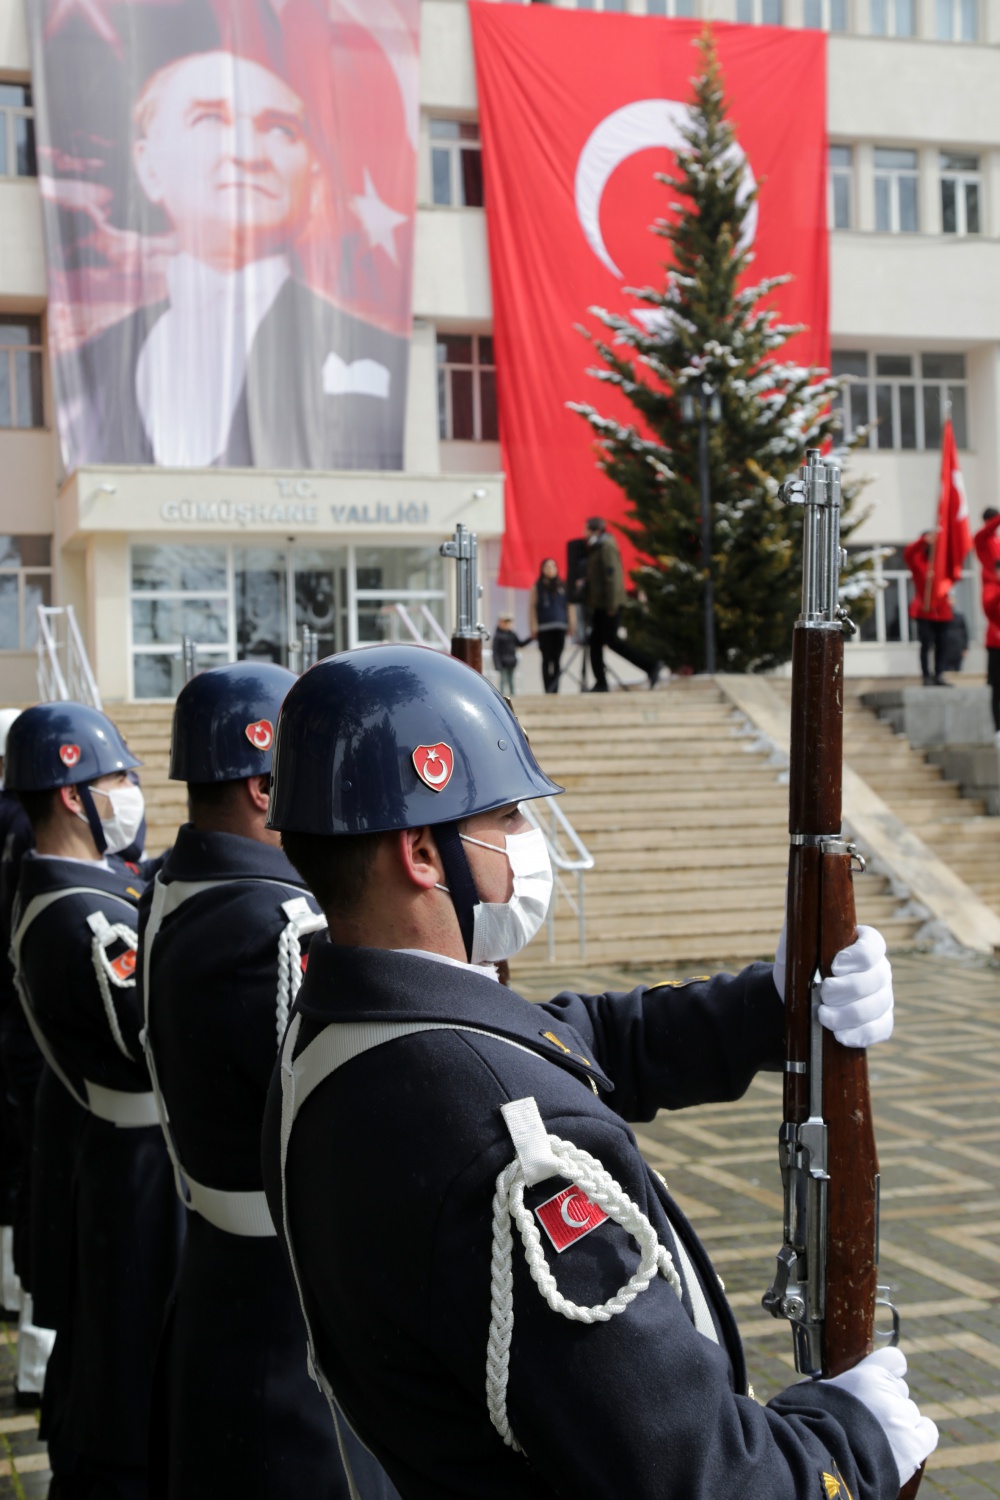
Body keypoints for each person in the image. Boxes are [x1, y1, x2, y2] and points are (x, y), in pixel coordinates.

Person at [259, 643, 936, 1500]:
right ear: (423, 856)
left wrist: (772, 1006)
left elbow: (567, 1038)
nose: (528, 839)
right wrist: (850, 1442)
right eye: (505, 816)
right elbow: (692, 1472)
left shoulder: (335, 1024)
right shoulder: (510, 1153)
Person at [137, 662, 398, 1500]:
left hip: (219, 1275)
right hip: (287, 1315)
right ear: (263, 785)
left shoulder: (173, 889)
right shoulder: (280, 925)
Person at [58, 49, 408, 471]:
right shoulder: (86, 368)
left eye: (280, 130)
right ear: (149, 167)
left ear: (313, 178)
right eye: (209, 119)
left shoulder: (385, 357)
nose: (247, 153)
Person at [5, 703, 183, 1500]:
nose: (129, 794)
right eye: (117, 780)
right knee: (126, 1356)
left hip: (108, 1150)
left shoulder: (84, 892)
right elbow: (153, 1043)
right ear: (74, 795)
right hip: (132, 1166)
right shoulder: (89, 917)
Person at [583, 517, 662, 691]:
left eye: (586, 529)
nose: (584, 533)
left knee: (612, 642)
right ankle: (601, 682)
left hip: (608, 605)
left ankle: (651, 666)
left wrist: (611, 606)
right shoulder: (598, 547)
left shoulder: (606, 547)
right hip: (601, 605)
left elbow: (613, 578)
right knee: (596, 642)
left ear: (594, 530)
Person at [903, 531, 953, 685]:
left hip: (942, 610)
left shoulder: (942, 563)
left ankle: (939, 674)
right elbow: (908, 553)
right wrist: (923, 540)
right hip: (924, 610)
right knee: (926, 644)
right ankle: (926, 675)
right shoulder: (918, 561)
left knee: (942, 644)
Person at [529, 559, 574, 694]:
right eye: (547, 566)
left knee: (557, 660)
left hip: (560, 627)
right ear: (542, 569)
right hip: (544, 628)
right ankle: (547, 690)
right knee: (546, 659)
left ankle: (555, 689)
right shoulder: (537, 586)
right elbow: (532, 608)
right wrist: (533, 626)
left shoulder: (563, 586)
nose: (550, 569)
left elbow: (569, 606)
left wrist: (572, 624)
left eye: (553, 566)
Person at [974, 510, 1000, 733]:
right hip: (996, 640)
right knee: (996, 688)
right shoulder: (983, 540)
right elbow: (990, 609)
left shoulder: (996, 541)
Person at [491, 614, 529, 698]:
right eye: (505, 622)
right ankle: (502, 697)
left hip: (511, 662)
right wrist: (497, 664)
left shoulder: (512, 634)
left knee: (511, 681)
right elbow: (495, 652)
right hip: (503, 662)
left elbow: (520, 644)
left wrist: (530, 638)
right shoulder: (498, 636)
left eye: (508, 622)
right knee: (503, 680)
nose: (507, 624)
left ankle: (513, 696)